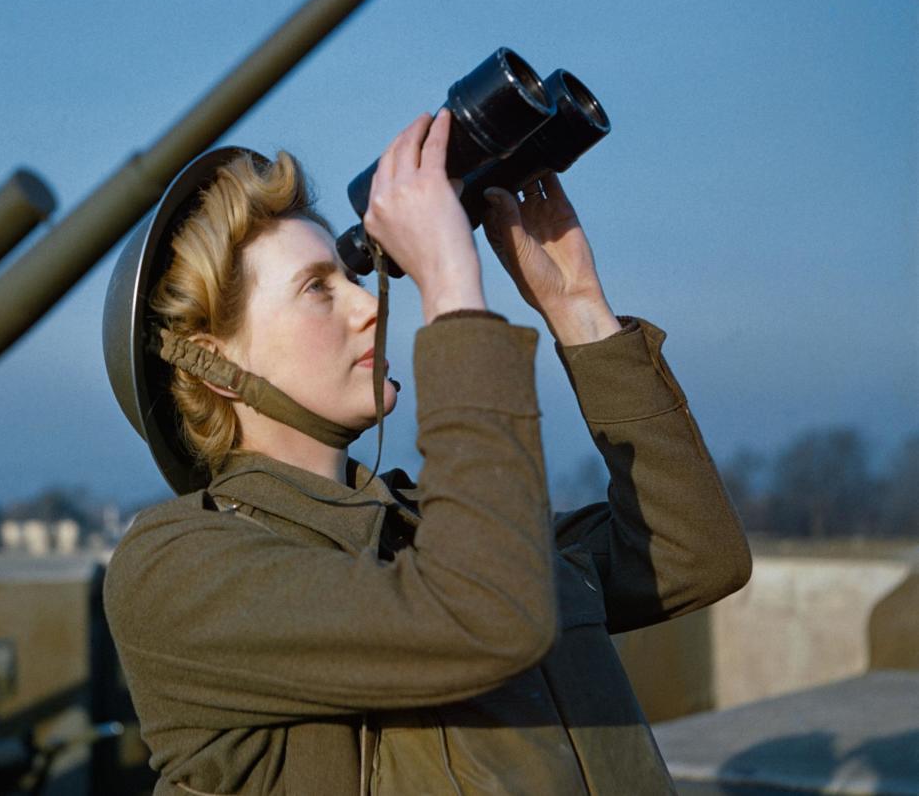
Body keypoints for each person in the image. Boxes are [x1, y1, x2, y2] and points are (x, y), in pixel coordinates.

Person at [100, 108, 752, 794]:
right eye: (317, 289)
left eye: (351, 278)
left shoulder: (426, 531)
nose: (368, 307)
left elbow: (694, 555)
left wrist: (579, 311)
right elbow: (476, 615)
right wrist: (449, 282)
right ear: (211, 364)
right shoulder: (176, 569)